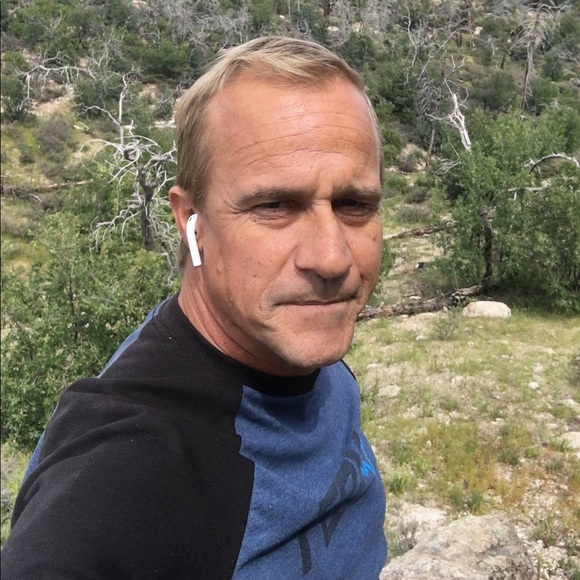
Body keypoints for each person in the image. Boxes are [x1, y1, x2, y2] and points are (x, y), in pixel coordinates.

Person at [2, 36, 387, 579]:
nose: (331, 258)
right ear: (191, 222)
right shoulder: (128, 464)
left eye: (354, 204)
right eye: (274, 205)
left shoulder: (293, 348)